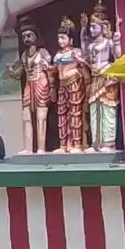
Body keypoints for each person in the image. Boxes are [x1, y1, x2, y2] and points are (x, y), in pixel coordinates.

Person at [83, 0, 121, 151]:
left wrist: (117, 40)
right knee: (94, 111)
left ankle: (108, 143)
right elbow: (86, 56)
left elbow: (118, 57)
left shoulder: (108, 42)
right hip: (95, 79)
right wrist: (81, 32)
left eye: (94, 27)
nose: (91, 30)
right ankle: (95, 143)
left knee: (108, 110)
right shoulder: (91, 45)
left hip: (107, 78)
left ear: (103, 27)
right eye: (90, 27)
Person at [52, 17, 87, 151]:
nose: (60, 41)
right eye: (59, 38)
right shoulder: (58, 54)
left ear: (71, 40)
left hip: (74, 83)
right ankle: (63, 144)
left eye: (63, 38)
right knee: (62, 114)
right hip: (62, 85)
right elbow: (55, 68)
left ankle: (76, 143)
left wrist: (79, 61)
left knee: (75, 113)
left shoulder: (76, 52)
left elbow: (83, 63)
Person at [17, 25, 53, 153]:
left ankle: (41, 148)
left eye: (29, 35)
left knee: (41, 117)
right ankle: (28, 148)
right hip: (28, 86)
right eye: (24, 36)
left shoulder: (42, 52)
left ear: (36, 37)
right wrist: (11, 72)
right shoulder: (23, 55)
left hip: (41, 84)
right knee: (26, 117)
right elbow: (19, 73)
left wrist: (52, 87)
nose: (26, 39)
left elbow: (50, 69)